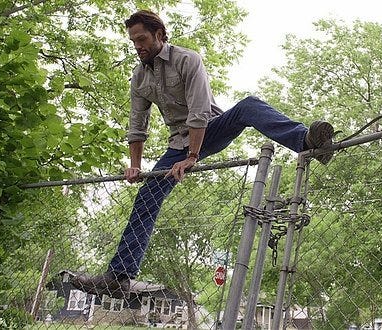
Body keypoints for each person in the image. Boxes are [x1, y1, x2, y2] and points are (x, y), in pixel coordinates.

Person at [72, 10, 334, 298]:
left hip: (210, 128)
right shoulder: (139, 76)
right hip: (178, 144)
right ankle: (119, 276)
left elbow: (198, 112)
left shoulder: (187, 60)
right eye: (133, 41)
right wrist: (135, 166)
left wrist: (192, 157)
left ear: (159, 35)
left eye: (142, 39)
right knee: (148, 195)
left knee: (248, 105)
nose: (138, 46)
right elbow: (137, 126)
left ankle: (307, 141)